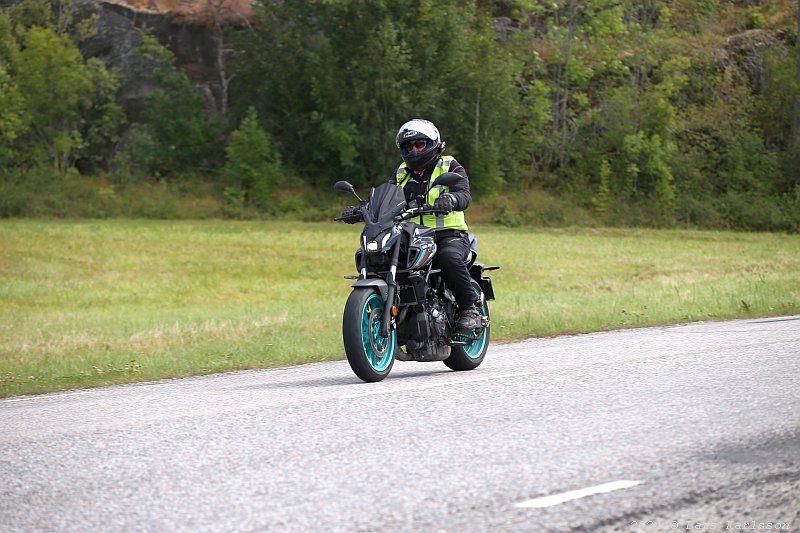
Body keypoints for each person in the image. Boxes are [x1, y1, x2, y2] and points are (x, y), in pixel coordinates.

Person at [341, 118, 482, 331]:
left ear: (433, 144)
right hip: (412, 233)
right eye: (409, 146)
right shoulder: (401, 173)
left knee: (449, 260)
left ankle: (469, 309)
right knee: (376, 256)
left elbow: (464, 194)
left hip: (448, 234)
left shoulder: (449, 165)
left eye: (419, 145)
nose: (414, 151)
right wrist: (362, 210)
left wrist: (452, 200)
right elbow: (386, 197)